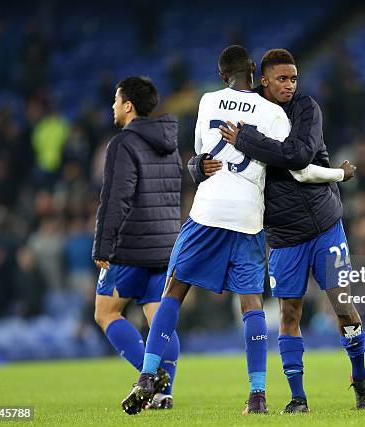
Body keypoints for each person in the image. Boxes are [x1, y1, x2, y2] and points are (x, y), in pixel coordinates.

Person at [121, 45, 347, 416]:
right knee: (252, 305)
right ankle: (257, 395)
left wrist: (198, 166)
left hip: (208, 209)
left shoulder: (208, 101)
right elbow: (290, 159)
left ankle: (147, 375)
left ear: (221, 73)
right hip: (248, 216)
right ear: (255, 72)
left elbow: (200, 153)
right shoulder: (274, 113)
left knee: (174, 290)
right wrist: (340, 173)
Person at [215, 48, 365, 413]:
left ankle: (361, 379)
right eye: (282, 79)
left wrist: (246, 141)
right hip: (283, 235)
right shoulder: (249, 112)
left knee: (343, 306)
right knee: (289, 314)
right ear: (264, 80)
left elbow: (299, 155)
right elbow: (225, 150)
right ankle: (297, 397)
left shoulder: (306, 109)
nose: (290, 85)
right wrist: (200, 164)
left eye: (294, 78)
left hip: (324, 226)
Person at [92, 76, 181, 411]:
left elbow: (116, 199)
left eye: (116, 100)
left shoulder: (122, 143)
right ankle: (162, 394)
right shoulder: (170, 144)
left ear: (128, 105)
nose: (113, 106)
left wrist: (103, 244)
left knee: (105, 312)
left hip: (130, 247)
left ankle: (152, 375)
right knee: (160, 319)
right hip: (166, 244)